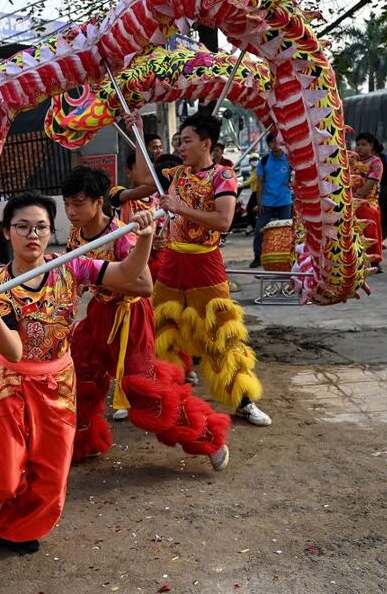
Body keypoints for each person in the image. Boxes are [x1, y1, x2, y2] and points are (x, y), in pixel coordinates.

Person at [0, 193, 156, 554]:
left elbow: (126, 274)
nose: (33, 234)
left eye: (41, 226)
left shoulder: (72, 266)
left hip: (58, 382)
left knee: (51, 473)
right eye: (22, 226)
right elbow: (14, 350)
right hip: (10, 384)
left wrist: (146, 237)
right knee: (2, 474)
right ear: (7, 233)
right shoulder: (0, 289)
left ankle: (9, 531)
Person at [63, 166, 230, 465]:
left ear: (98, 202)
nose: (71, 211)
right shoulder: (75, 237)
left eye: (78, 203)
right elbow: (73, 282)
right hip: (99, 313)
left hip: (130, 319)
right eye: (67, 204)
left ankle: (207, 437)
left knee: (144, 389)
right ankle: (85, 442)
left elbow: (144, 286)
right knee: (79, 374)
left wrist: (96, 276)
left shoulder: (121, 236)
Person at [131, 112, 271, 427]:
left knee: (220, 334)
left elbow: (223, 221)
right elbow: (142, 178)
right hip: (172, 263)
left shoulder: (223, 176)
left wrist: (180, 207)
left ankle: (243, 401)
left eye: (187, 141)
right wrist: (139, 131)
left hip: (205, 264)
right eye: (179, 141)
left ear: (206, 143)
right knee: (162, 330)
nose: (181, 146)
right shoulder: (176, 173)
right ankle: (165, 399)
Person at [250, 132, 292, 268]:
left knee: (287, 232)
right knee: (258, 230)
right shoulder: (264, 161)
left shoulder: (290, 160)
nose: (275, 145)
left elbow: (300, 175)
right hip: (266, 203)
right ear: (269, 144)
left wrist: (292, 184)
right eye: (272, 142)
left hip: (285, 201)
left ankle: (288, 257)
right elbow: (260, 183)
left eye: (278, 142)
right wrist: (259, 202)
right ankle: (257, 256)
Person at [348, 133, 385, 272]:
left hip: (368, 203)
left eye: (364, 145)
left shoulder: (376, 162)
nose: (359, 148)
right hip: (351, 202)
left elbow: (372, 180)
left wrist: (359, 194)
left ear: (371, 146)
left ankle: (375, 261)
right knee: (354, 232)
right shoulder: (351, 161)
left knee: (370, 232)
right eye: (358, 144)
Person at [109, 151, 157, 223]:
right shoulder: (116, 191)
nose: (147, 171)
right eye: (141, 167)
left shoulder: (157, 203)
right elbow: (133, 194)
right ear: (128, 172)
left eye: (149, 167)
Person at [244, 153, 261, 235]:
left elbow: (251, 180)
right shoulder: (253, 170)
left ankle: (251, 226)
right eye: (253, 160)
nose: (254, 161)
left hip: (257, 192)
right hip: (255, 191)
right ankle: (253, 226)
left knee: (249, 208)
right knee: (252, 209)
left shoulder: (257, 169)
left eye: (256, 159)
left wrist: (240, 184)